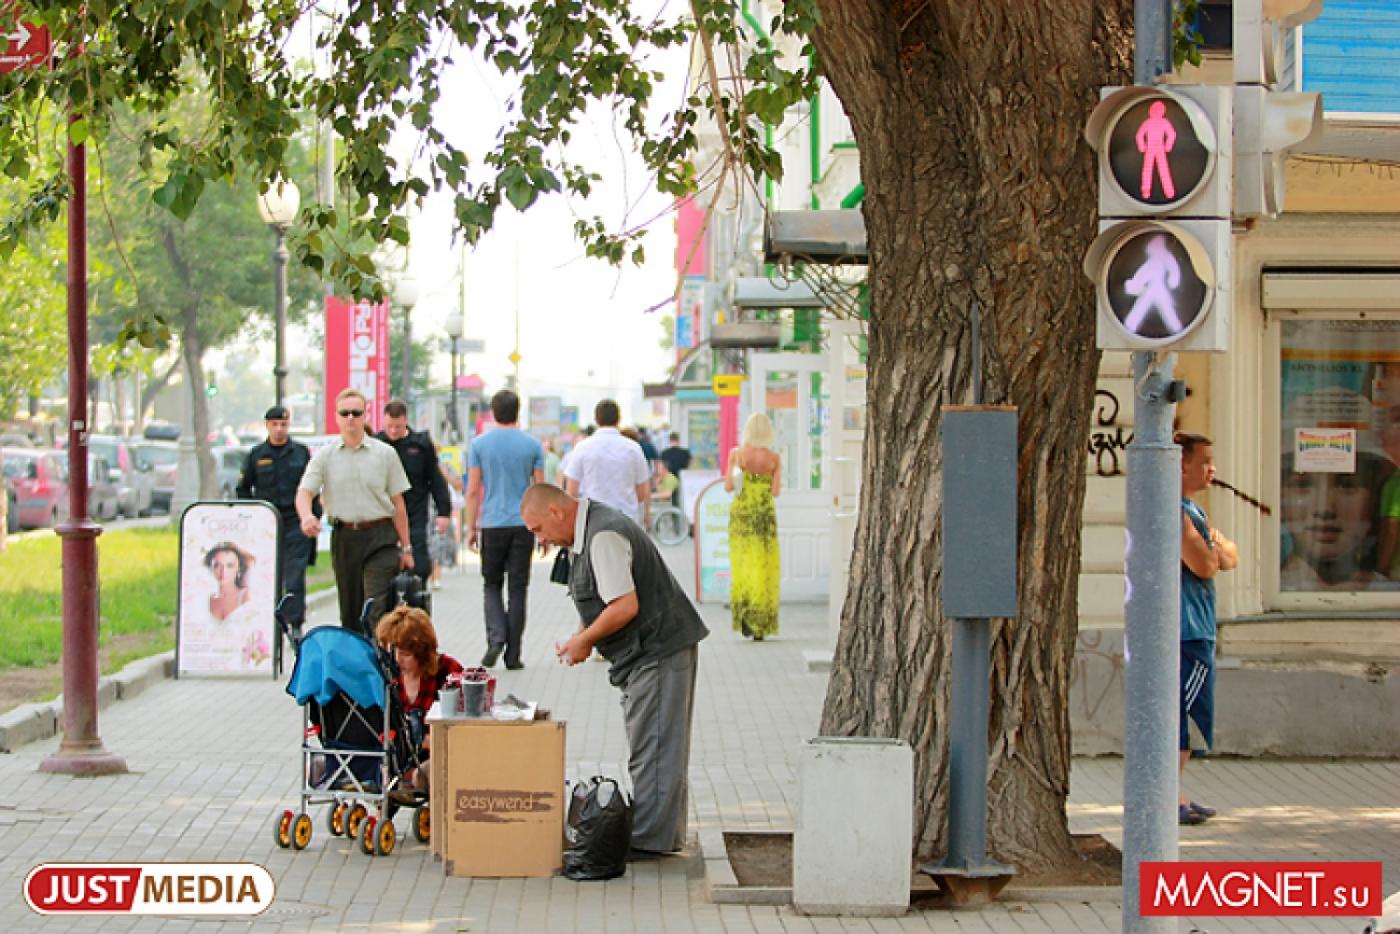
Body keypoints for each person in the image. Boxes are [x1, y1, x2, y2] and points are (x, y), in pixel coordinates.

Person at [521, 484, 707, 857]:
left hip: (657, 648)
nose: (539, 540)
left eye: (538, 529)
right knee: (658, 746)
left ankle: (649, 843)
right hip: (650, 650)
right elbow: (601, 598)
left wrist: (585, 641)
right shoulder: (588, 531)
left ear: (557, 512)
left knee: (653, 748)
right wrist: (580, 636)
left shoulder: (603, 535)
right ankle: (661, 836)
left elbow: (624, 606)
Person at [296, 388, 414, 637]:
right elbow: (305, 492)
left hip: (380, 537)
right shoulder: (325, 456)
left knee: (374, 608)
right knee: (350, 614)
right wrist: (307, 516)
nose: (351, 418)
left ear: (366, 416)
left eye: (356, 413)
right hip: (346, 538)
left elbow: (398, 504)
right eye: (345, 413)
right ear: (337, 417)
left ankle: (377, 667)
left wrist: (406, 548)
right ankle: (356, 668)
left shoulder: (385, 454)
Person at [1177, 432, 1238, 826]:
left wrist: (1212, 547)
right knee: (1181, 714)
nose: (1212, 468)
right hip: (1186, 630)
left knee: (1185, 716)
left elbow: (1229, 556)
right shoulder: (1174, 512)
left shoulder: (1192, 511)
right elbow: (1206, 565)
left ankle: (1175, 795)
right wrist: (1212, 549)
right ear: (1182, 465)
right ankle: (1170, 798)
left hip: (1194, 628)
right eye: (1205, 461)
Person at [465, 389, 545, 669]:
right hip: (523, 524)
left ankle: (495, 638)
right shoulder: (533, 445)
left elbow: (473, 490)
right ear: (517, 411)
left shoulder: (479, 445)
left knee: (491, 584)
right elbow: (539, 490)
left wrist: (471, 526)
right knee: (519, 588)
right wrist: (543, 528)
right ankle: (514, 655)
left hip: (492, 524)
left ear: (493, 412)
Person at [236, 404, 315, 636]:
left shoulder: (300, 453)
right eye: (275, 424)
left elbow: (311, 487)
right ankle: (268, 622)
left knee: (294, 576)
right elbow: (243, 488)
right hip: (267, 524)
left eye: (284, 424)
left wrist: (312, 516)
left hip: (295, 521)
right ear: (267, 425)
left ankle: (296, 624)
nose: (279, 429)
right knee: (265, 575)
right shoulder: (257, 455)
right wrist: (252, 516)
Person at [374, 605, 464, 795]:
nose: (398, 660)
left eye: (406, 654)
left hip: (437, 755)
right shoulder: (387, 675)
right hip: (398, 758)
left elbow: (461, 732)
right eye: (393, 652)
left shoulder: (448, 671)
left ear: (423, 653)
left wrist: (424, 741)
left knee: (425, 773)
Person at [1280, 450, 1394, 592]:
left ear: (1374, 500)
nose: (1324, 508)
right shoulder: (1261, 592)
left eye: (1347, 485)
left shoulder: (1390, 596)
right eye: (1302, 484)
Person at [377, 400, 452, 586]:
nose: (393, 431)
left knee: (419, 566)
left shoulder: (420, 446)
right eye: (389, 426)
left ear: (406, 421)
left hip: (415, 514)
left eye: (398, 426)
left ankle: (416, 605)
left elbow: (436, 480)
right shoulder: (375, 444)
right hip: (383, 515)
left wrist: (444, 512)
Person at [725, 413, 782, 640]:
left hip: (742, 515)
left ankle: (746, 619)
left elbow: (729, 486)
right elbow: (776, 491)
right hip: (764, 515)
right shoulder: (774, 459)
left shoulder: (737, 455)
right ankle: (762, 623)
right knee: (764, 566)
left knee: (743, 565)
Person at [563, 399, 652, 527]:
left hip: (593, 520)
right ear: (619, 419)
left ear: (596, 420)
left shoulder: (582, 448)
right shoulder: (633, 448)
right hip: (627, 519)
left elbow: (571, 491)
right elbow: (643, 491)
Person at [205, 542, 256, 624]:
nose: (223, 571)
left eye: (230, 566)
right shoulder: (207, 600)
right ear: (211, 568)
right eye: (217, 565)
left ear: (239, 568)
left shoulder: (245, 596)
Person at [658, 432, 691, 507]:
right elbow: (688, 465)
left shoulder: (664, 453)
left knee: (669, 499)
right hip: (682, 478)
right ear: (678, 440)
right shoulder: (685, 453)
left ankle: (672, 513)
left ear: (670, 440)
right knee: (681, 499)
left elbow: (662, 467)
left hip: (668, 478)